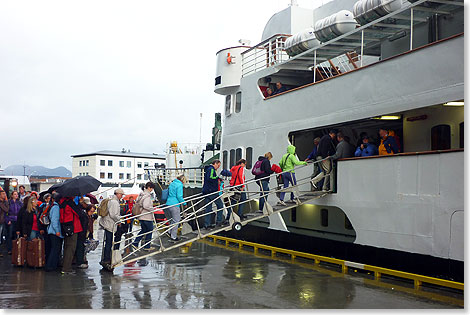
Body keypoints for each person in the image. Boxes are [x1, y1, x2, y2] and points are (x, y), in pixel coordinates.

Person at [100, 188, 126, 269]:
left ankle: (106, 258)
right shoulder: (114, 202)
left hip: (108, 223)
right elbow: (113, 215)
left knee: (108, 241)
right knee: (109, 242)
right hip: (110, 225)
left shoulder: (111, 200)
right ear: (117, 194)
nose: (121, 196)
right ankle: (107, 258)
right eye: (121, 194)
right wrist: (119, 220)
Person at [58, 196, 83, 274]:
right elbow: (79, 213)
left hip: (66, 227)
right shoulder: (70, 203)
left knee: (66, 247)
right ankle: (66, 268)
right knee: (71, 248)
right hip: (73, 228)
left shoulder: (62, 203)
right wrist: (80, 203)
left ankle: (65, 266)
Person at [131, 183, 156, 251]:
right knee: (150, 230)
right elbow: (146, 205)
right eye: (152, 188)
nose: (152, 190)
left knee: (144, 230)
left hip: (141, 215)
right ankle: (147, 246)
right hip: (146, 216)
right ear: (149, 187)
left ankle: (135, 243)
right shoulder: (147, 196)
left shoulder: (141, 194)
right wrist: (152, 209)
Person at [202, 160, 225, 228]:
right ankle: (219, 221)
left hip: (206, 191)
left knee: (208, 209)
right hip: (212, 191)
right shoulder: (211, 169)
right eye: (218, 165)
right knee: (220, 205)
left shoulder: (208, 169)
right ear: (215, 163)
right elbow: (210, 177)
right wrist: (217, 178)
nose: (218, 167)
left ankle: (207, 224)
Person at [166, 175, 187, 241]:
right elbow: (179, 196)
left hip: (168, 203)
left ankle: (169, 231)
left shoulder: (172, 183)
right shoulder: (179, 185)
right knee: (176, 220)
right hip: (175, 204)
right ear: (182, 180)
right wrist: (184, 203)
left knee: (173, 220)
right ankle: (173, 237)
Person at [45, 193, 63, 272]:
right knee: (55, 249)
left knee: (53, 249)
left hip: (51, 231)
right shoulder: (56, 208)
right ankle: (51, 266)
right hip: (54, 232)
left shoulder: (52, 206)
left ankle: (51, 265)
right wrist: (57, 231)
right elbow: (54, 221)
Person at [75, 196, 90, 269]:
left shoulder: (82, 211)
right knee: (80, 247)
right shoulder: (81, 211)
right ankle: (79, 262)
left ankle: (79, 261)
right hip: (80, 231)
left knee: (80, 247)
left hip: (81, 231)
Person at [6, 190, 22, 255]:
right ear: (12, 195)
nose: (16, 195)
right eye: (15, 194)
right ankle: (10, 249)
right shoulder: (9, 202)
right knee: (10, 235)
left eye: (17, 194)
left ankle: (16, 248)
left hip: (17, 219)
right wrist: (8, 220)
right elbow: (6, 212)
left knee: (16, 234)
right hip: (11, 219)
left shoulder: (19, 203)